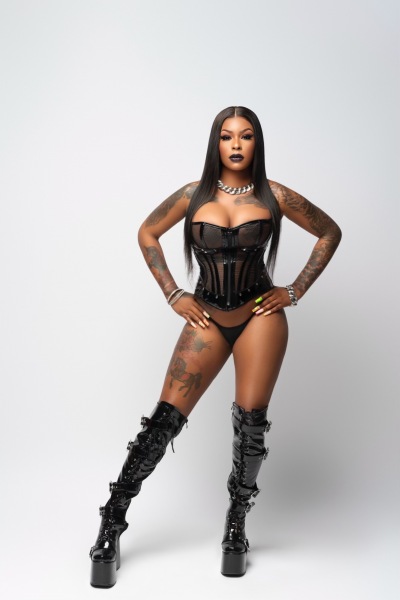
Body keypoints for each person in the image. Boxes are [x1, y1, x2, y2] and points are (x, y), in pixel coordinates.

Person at [89, 106, 342, 586]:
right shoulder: (193, 195)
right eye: (227, 137)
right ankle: (111, 523)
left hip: (260, 317)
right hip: (205, 314)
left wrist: (295, 290)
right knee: (162, 423)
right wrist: (173, 292)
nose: (237, 145)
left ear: (256, 143)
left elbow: (329, 231)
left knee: (250, 427)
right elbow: (147, 232)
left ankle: (235, 527)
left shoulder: (274, 195)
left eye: (246, 136)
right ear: (216, 143)